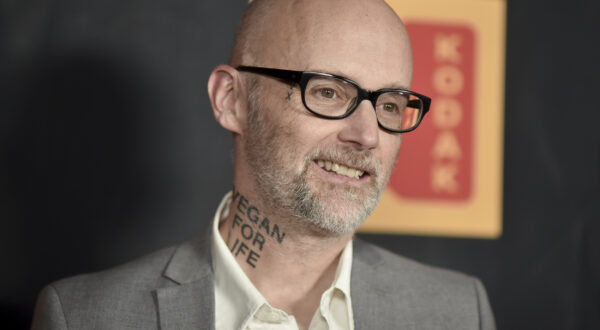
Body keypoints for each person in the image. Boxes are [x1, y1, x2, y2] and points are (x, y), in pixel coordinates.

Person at [32, 0, 495, 329]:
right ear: (232, 100)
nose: (367, 136)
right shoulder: (84, 317)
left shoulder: (456, 312)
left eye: (391, 104)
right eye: (328, 92)